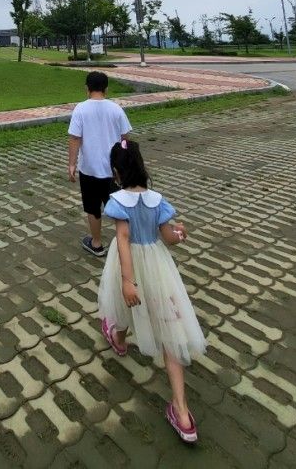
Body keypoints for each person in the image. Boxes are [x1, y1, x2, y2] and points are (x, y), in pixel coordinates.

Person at [97, 139, 206, 444]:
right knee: (169, 331)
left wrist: (128, 280)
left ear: (117, 172)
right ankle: (182, 412)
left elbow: (123, 237)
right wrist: (180, 234)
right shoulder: (157, 199)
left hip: (128, 265)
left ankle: (118, 339)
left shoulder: (118, 200)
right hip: (158, 267)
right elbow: (169, 238)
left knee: (122, 304)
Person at [68, 69, 132, 257]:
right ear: (106, 88)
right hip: (114, 171)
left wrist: (71, 164)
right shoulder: (116, 109)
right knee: (119, 207)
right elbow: (125, 138)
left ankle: (96, 243)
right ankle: (125, 243)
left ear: (86, 88)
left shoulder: (80, 108)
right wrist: (124, 160)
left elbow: (74, 138)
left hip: (89, 169)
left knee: (93, 207)